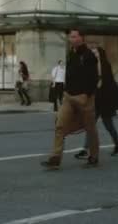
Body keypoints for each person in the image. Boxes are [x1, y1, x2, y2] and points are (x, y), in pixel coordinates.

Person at [41, 29, 100, 170]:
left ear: (81, 38)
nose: (71, 39)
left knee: (90, 128)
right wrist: (64, 92)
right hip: (68, 96)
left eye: (74, 36)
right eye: (70, 37)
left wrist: (87, 94)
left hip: (84, 97)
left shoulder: (89, 56)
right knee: (60, 125)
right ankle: (55, 158)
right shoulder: (70, 54)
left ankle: (94, 156)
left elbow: (93, 78)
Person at [75, 47, 118, 159]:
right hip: (95, 100)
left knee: (109, 126)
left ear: (100, 53)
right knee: (90, 125)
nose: (94, 54)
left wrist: (113, 101)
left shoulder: (106, 65)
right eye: (92, 52)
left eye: (95, 52)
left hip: (105, 100)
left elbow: (110, 83)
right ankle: (85, 149)